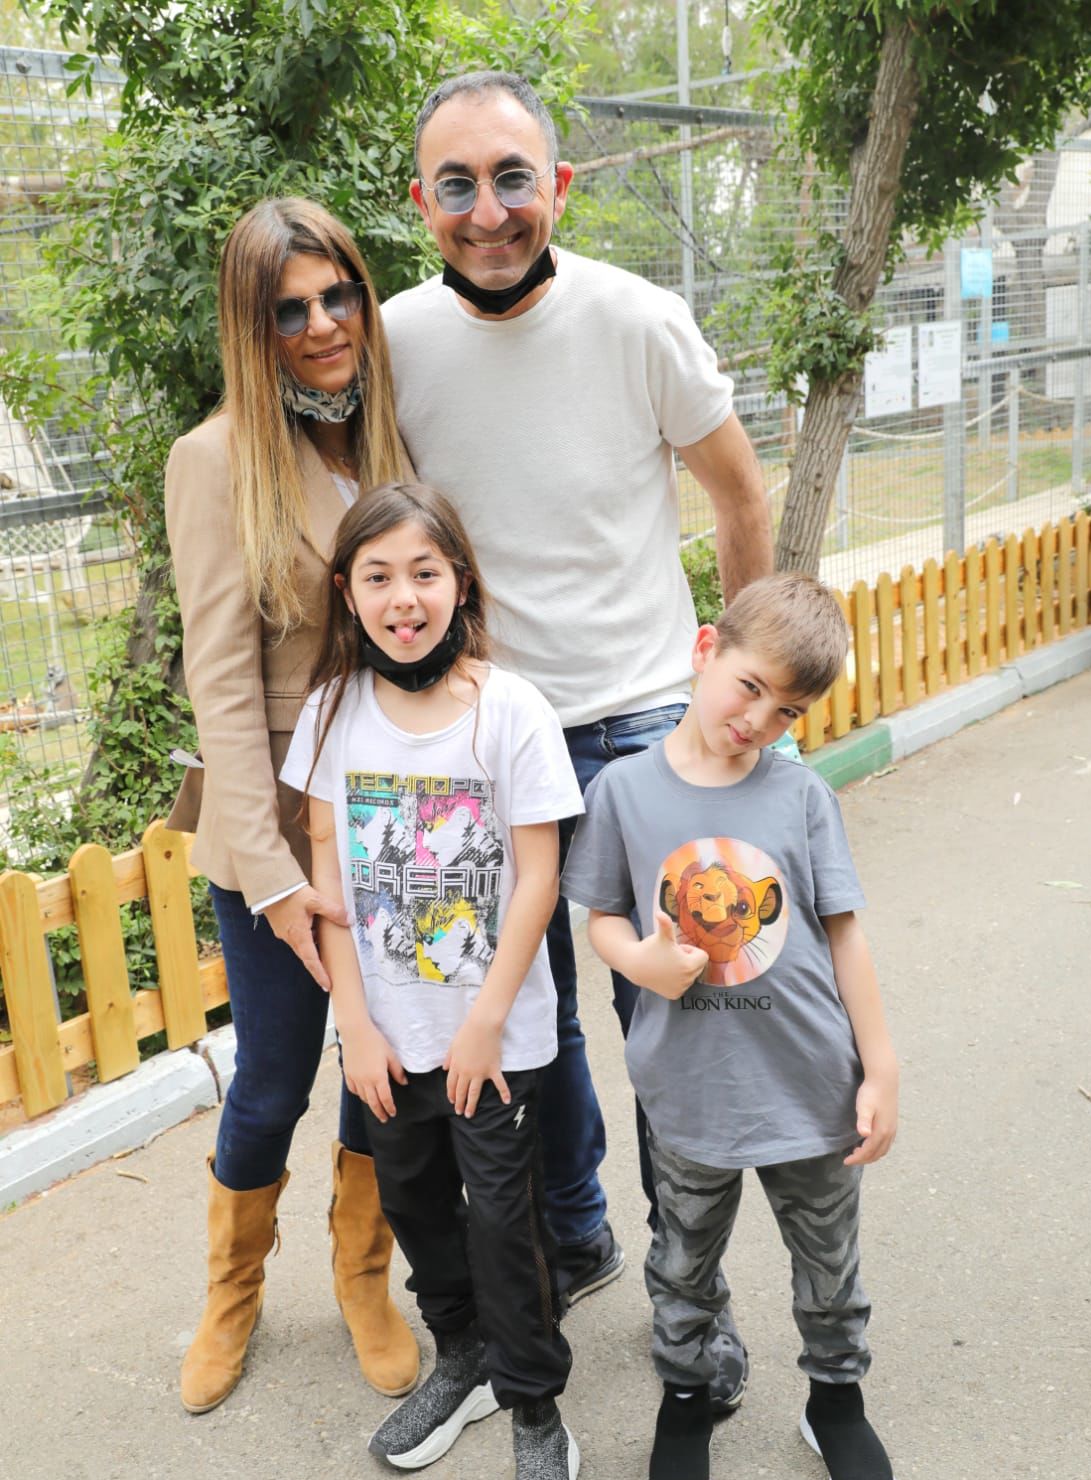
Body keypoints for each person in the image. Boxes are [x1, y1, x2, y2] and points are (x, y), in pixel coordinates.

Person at [380, 70, 775, 1338]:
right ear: (420, 202)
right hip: (486, 736)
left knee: (671, 1015)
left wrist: (741, 688)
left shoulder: (637, 319)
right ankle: (573, 1232)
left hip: (642, 722)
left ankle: (688, 1288)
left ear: (556, 184)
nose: (487, 210)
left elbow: (738, 495)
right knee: (518, 1019)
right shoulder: (391, 343)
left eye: (512, 178)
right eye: (456, 185)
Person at [280, 482, 582, 1480]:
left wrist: (486, 1021)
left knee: (503, 1223)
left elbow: (538, 877)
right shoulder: (331, 712)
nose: (401, 598)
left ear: (460, 581)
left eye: (423, 572)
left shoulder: (511, 710)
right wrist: (353, 1025)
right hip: (384, 1032)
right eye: (377, 577)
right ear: (346, 591)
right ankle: (462, 1358)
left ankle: (538, 1417)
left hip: (489, 1037)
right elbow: (328, 878)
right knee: (411, 1198)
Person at [561, 573, 900, 1480]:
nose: (756, 720)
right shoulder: (623, 791)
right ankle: (684, 1403)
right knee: (681, 1267)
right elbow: (602, 915)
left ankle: (835, 1402)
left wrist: (879, 1067)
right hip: (688, 1089)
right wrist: (640, 961)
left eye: (785, 709)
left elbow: (843, 934)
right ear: (705, 649)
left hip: (810, 1084)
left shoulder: (801, 795)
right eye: (749, 687)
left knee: (828, 1265)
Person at [165, 197, 419, 1414]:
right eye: (289, 309)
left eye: (337, 296)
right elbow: (220, 681)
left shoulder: (383, 437)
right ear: (251, 326)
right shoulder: (216, 458)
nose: (322, 324)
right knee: (274, 1070)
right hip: (271, 827)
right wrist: (270, 877)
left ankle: (362, 1273)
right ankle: (232, 1292)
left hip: (388, 815)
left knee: (386, 1054)